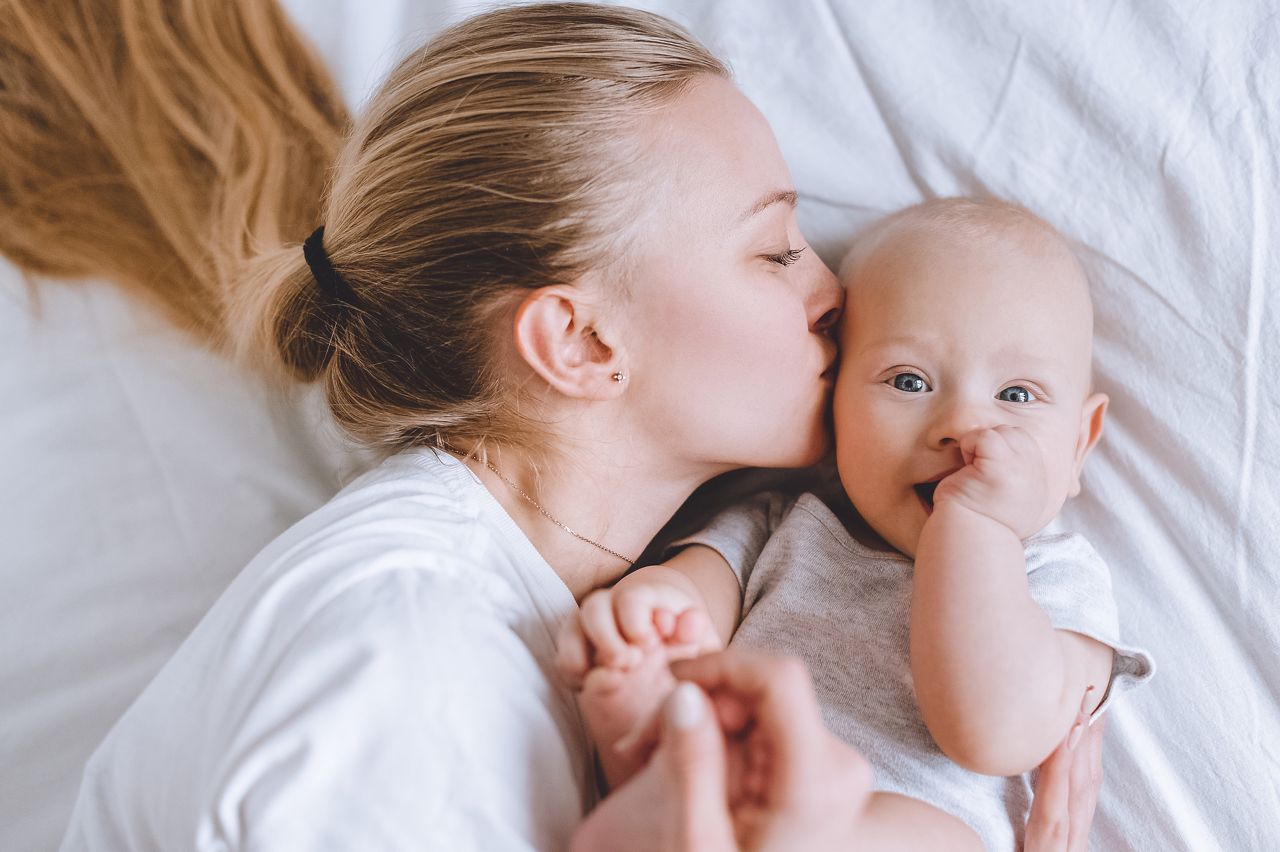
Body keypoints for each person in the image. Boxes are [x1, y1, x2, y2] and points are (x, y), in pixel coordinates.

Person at [0, 2, 1101, 848]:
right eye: (773, 251)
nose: (834, 291)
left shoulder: (568, 621)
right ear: (576, 344)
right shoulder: (411, 654)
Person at [559, 198, 1155, 848]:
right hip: (736, 800)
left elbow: (994, 732)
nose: (962, 424)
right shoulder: (783, 525)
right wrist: (648, 625)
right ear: (836, 403)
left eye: (1015, 396)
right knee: (671, 731)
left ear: (1078, 444)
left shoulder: (1057, 575)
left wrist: (976, 527)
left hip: (900, 828)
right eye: (907, 381)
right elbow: (691, 601)